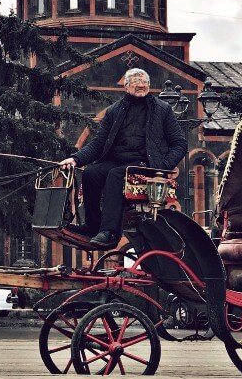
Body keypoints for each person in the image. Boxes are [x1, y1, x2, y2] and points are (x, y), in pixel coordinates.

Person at [59, 68, 187, 249]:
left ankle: (109, 232)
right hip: (117, 160)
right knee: (91, 173)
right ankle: (92, 226)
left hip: (145, 163)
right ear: (126, 87)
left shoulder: (162, 109)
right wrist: (75, 159)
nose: (141, 85)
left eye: (144, 82)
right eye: (135, 82)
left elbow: (180, 144)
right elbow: (98, 144)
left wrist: (162, 167)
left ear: (149, 86)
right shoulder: (114, 111)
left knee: (116, 175)